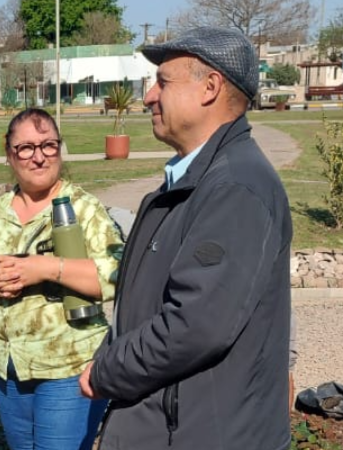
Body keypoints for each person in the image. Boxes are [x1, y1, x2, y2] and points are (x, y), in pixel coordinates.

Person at [79, 27, 293, 450]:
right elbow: (144, 305)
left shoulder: (235, 189)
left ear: (210, 87)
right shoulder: (192, 181)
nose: (148, 97)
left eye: (163, 82)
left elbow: (195, 325)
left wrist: (106, 370)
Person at [0, 108, 123, 450]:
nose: (39, 157)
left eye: (48, 145)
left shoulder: (83, 209)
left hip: (68, 368)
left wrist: (42, 268)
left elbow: (118, 276)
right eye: (26, 147)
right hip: (9, 370)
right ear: (9, 153)